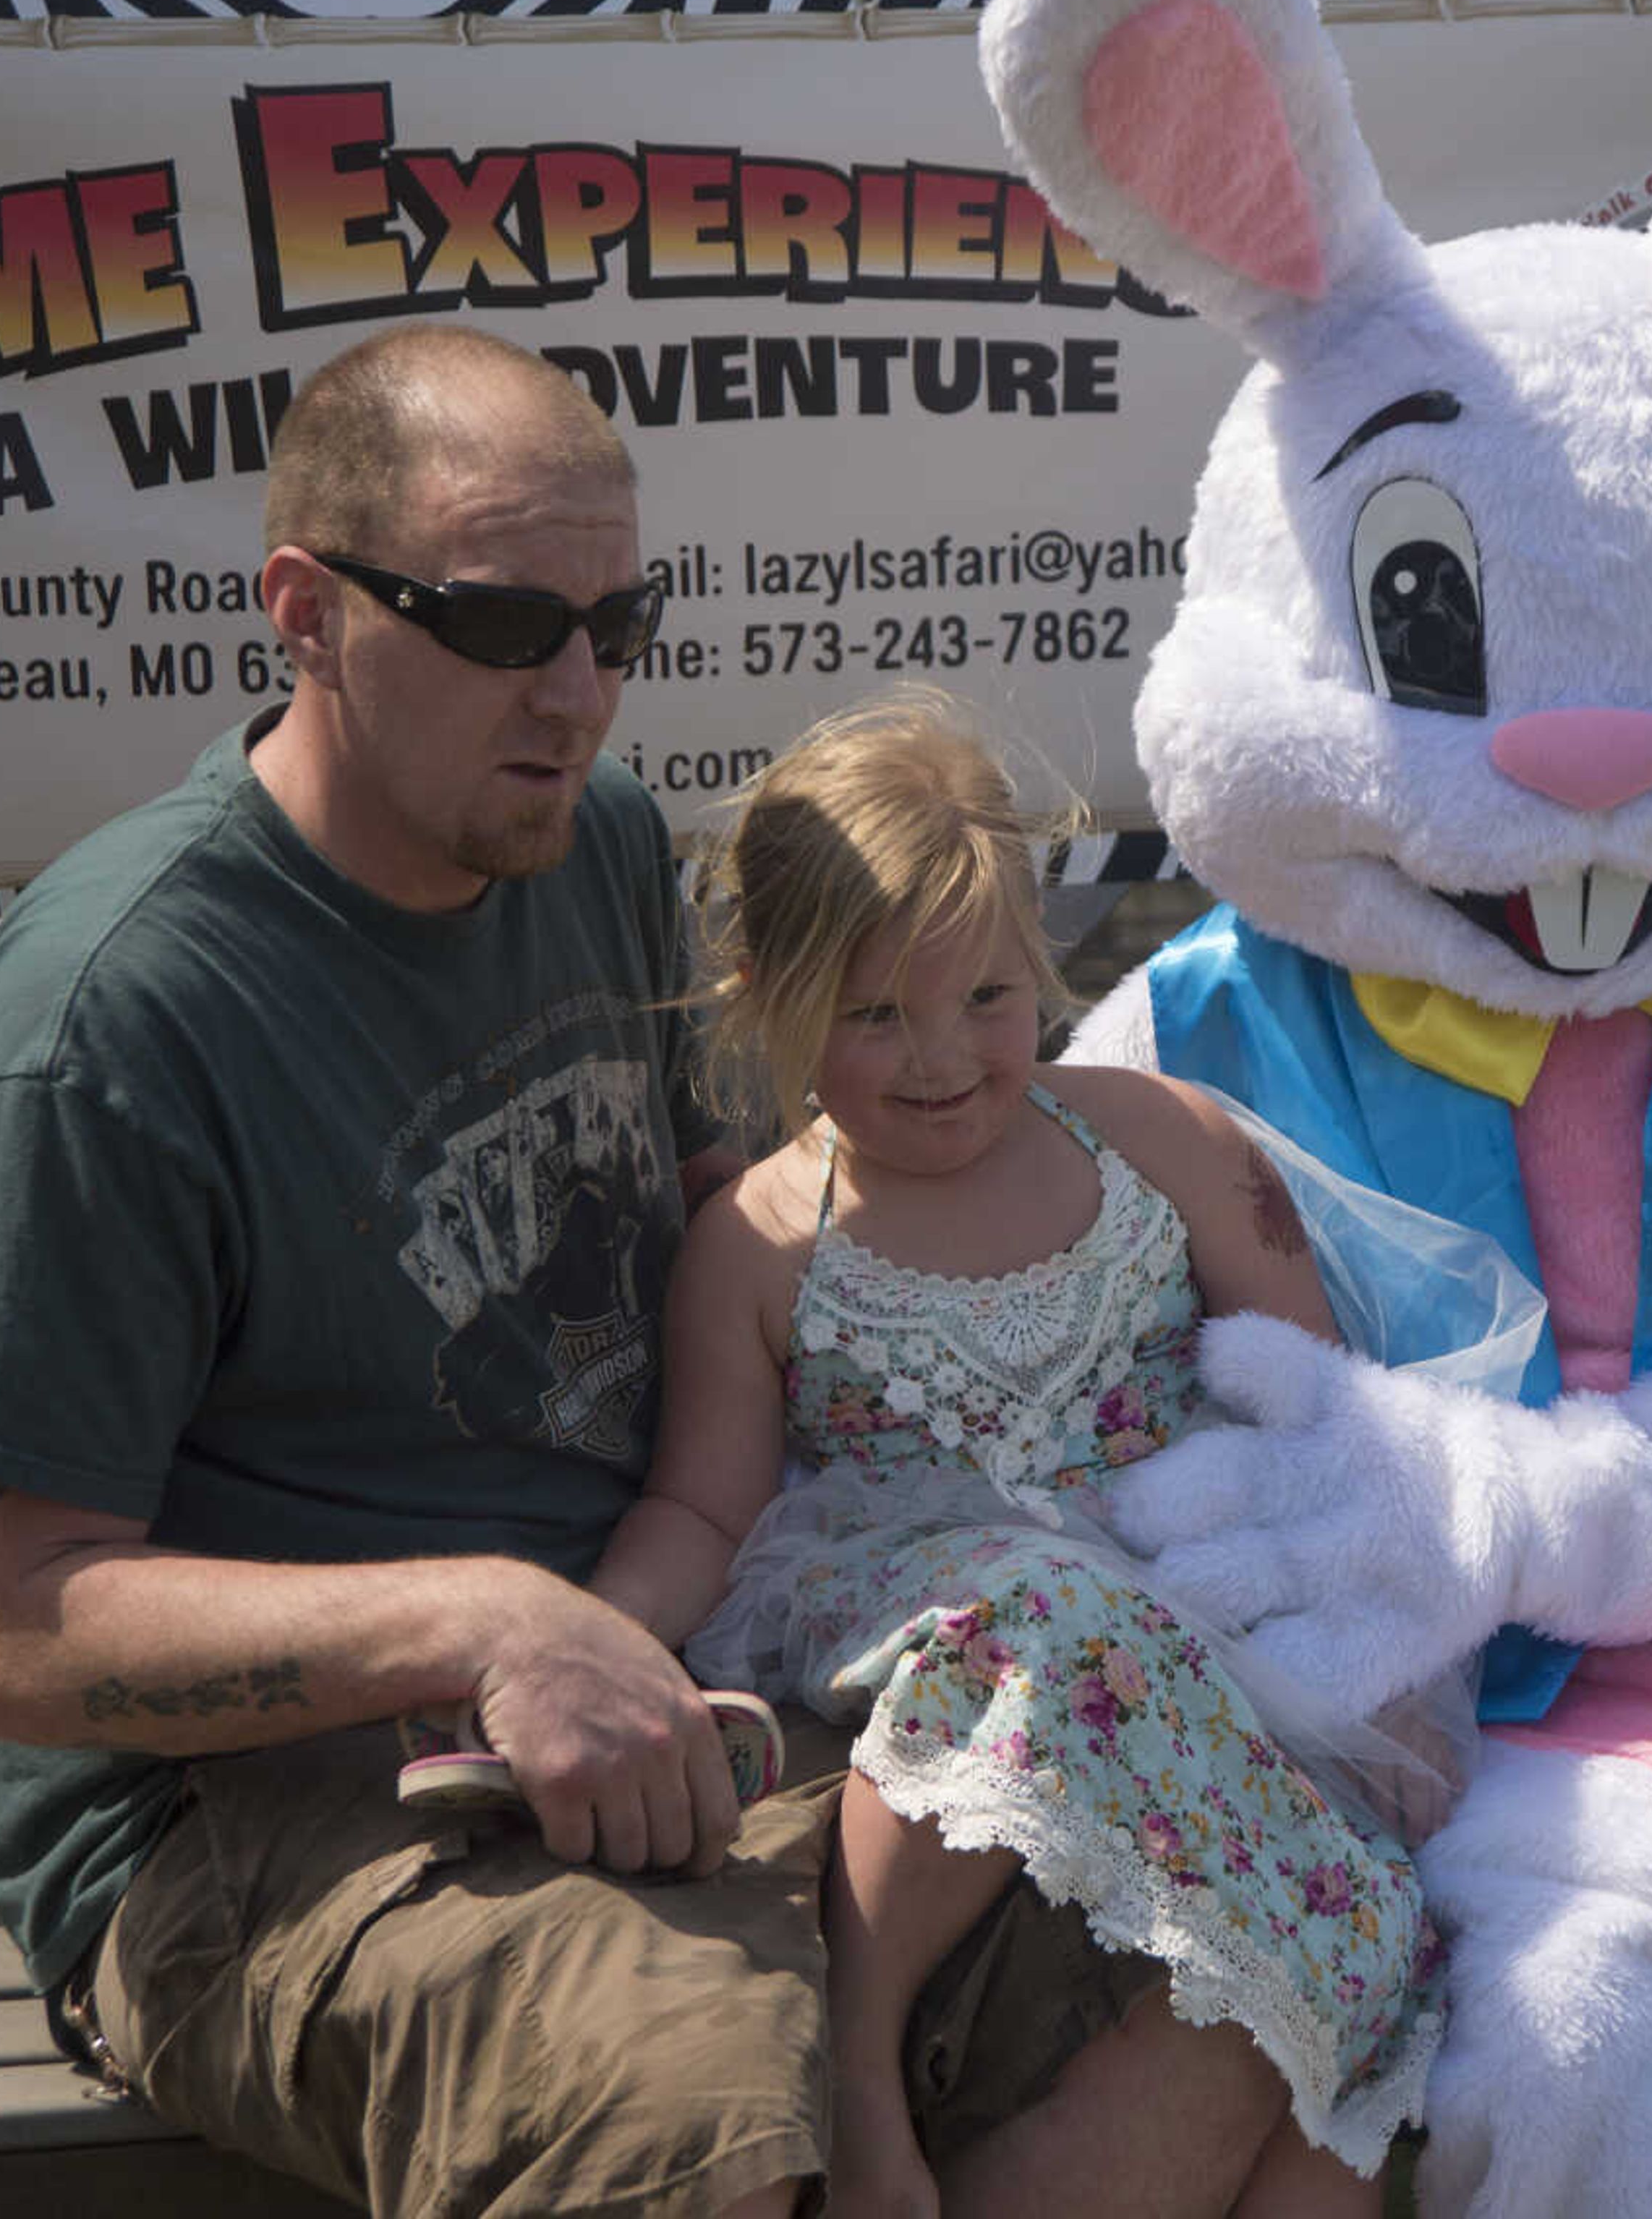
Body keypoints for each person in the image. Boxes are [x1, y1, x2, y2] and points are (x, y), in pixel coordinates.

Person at [0, 324, 1332, 2218]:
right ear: (306, 615)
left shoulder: (594, 846)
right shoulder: (115, 1020)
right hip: (271, 1816)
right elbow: (4, 1629)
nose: (577, 691)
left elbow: (731, 1206)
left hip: (691, 1681)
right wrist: (481, 1627)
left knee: (1241, 1954)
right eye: (502, 626)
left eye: (614, 624)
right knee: (702, 2094)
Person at [590, 691, 1449, 2219]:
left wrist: (1384, 1664)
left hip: (1198, 1629)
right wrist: (601, 1639)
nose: (942, 1059)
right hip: (944, 1623)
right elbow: (702, 1499)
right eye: (873, 1015)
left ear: (1041, 964)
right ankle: (859, 2069)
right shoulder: (762, 1242)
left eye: (987, 997)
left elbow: (1326, 1415)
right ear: (770, 997)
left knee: (1373, 1931)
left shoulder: (1155, 1139)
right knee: (1042, 1619)